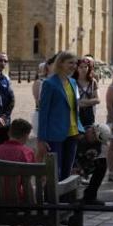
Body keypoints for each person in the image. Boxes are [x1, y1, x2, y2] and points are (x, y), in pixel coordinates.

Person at [37, 51, 83, 181]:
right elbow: (43, 112)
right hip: (55, 134)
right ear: (61, 63)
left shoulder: (73, 82)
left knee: (67, 172)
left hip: (73, 133)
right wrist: (41, 138)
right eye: (70, 63)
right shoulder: (49, 84)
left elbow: (75, 108)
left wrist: (80, 128)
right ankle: (52, 200)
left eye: (75, 63)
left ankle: (65, 200)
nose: (74, 66)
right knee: (55, 172)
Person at [0, 119, 39, 226]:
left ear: (9, 132)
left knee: (7, 194)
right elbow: (30, 177)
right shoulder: (27, 152)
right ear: (26, 135)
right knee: (29, 196)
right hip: (20, 202)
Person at [76, 123, 110, 206]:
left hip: (82, 162)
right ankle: (66, 197)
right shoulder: (78, 137)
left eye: (98, 141)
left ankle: (90, 196)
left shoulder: (97, 143)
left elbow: (91, 157)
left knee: (102, 164)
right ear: (92, 131)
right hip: (70, 162)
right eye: (95, 139)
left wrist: (84, 169)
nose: (96, 142)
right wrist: (77, 167)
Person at [73, 57, 99, 131]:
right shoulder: (72, 82)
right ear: (77, 68)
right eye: (81, 67)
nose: (84, 69)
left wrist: (80, 102)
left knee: (89, 138)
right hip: (76, 116)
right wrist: (91, 102)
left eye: (86, 67)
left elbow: (98, 99)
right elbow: (73, 102)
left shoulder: (93, 82)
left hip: (90, 116)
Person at [0, 52, 13, 145]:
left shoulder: (6, 79)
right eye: (0, 60)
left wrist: (5, 116)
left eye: (5, 61)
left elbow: (11, 100)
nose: (2, 63)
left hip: (4, 122)